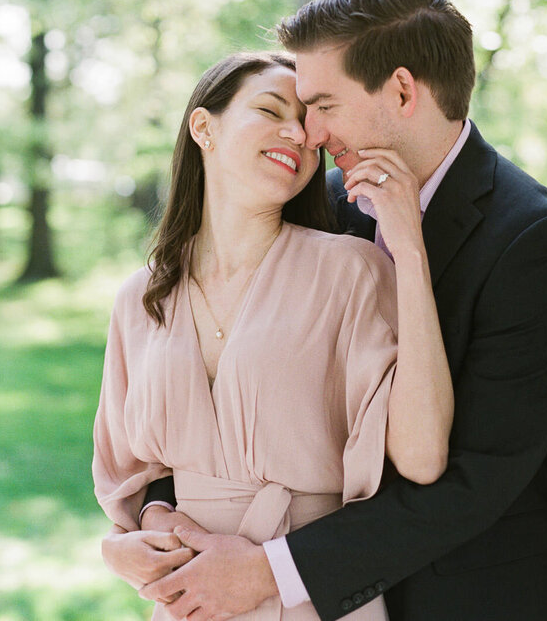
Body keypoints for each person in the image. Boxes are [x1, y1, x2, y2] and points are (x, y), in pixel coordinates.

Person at [127, 0, 547, 621]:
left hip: (458, 599)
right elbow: (225, 380)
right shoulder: (325, 204)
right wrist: (165, 513)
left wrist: (271, 572)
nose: (309, 134)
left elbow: (479, 478)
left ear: (401, 90)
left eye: (322, 104)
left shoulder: (531, 235)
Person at [91, 51, 455, 621]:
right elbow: (132, 478)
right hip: (189, 603)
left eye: (309, 125)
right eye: (270, 109)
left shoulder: (350, 270)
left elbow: (423, 457)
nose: (299, 133)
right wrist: (128, 543)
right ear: (203, 127)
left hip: (312, 598)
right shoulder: (142, 300)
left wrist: (408, 252)